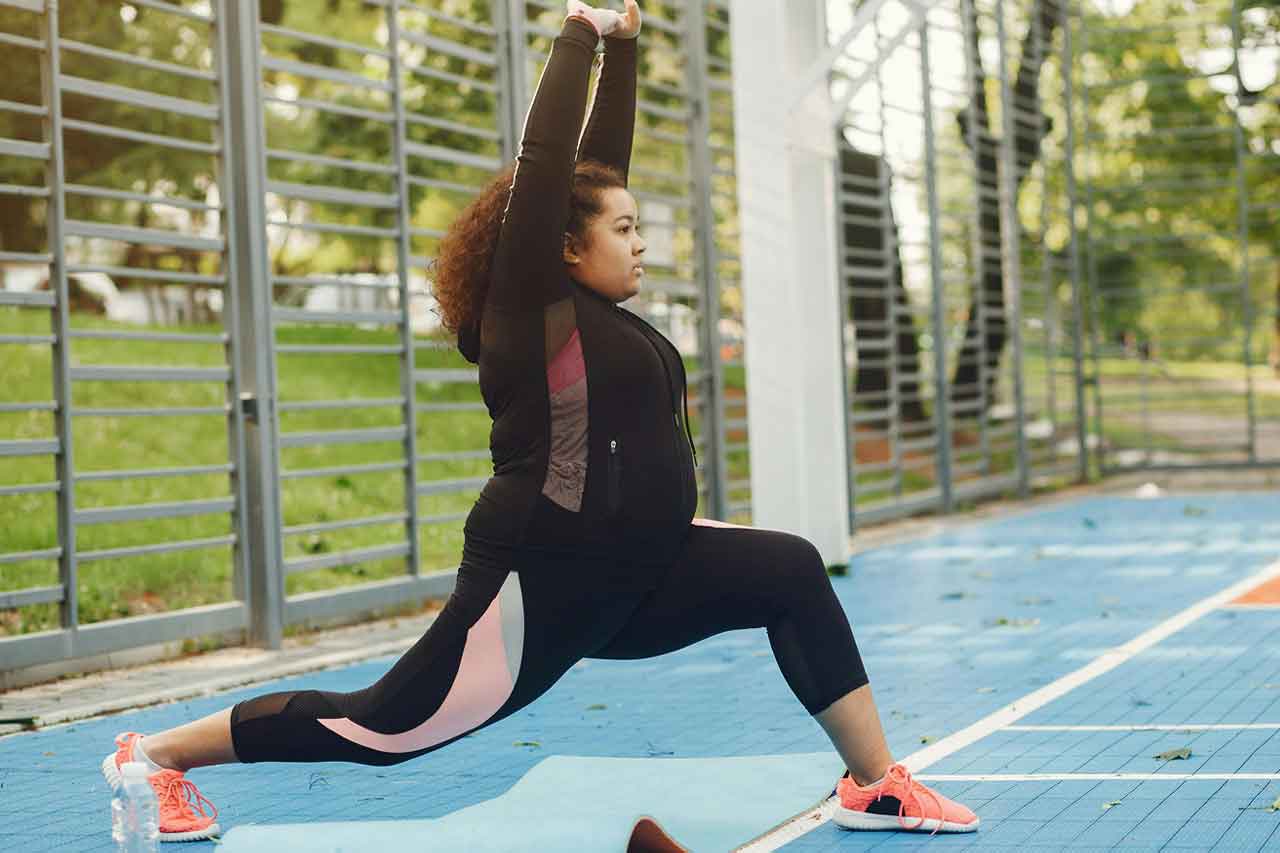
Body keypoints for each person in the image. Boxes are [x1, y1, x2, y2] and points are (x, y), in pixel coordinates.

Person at [101, 1, 979, 840]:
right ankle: (155, 753)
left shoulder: (599, 310)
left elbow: (592, 174)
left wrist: (628, 48)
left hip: (640, 569)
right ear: (564, 245)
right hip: (543, 582)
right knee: (382, 729)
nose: (640, 242)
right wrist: (577, 37)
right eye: (625, 230)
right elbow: (551, 163)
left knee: (790, 570)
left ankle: (874, 783)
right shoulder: (530, 311)